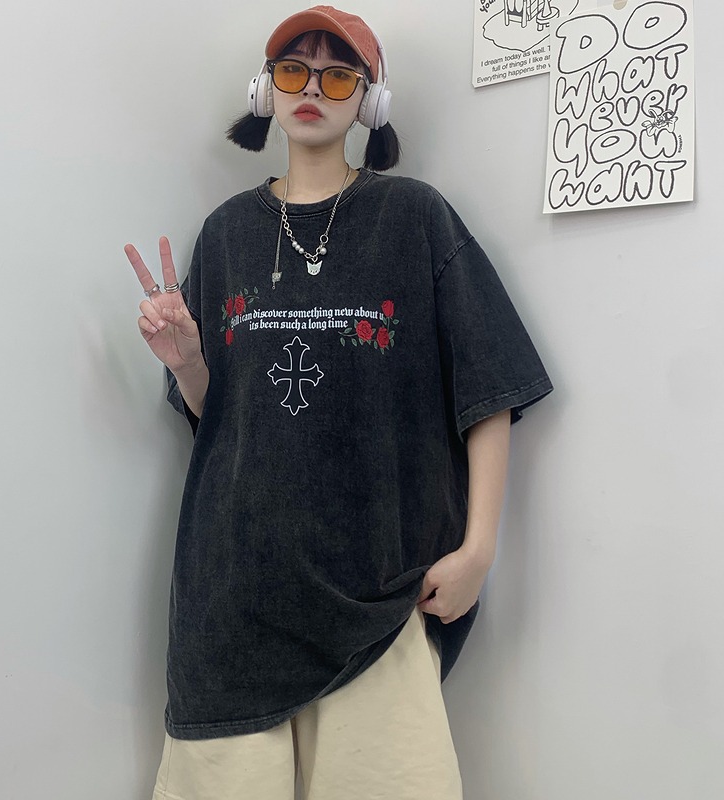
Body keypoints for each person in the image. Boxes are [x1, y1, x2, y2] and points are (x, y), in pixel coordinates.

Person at [124, 6, 552, 799]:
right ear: (267, 90)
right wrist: (187, 362)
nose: (313, 89)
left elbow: (489, 389)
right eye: (294, 70)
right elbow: (218, 419)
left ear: (369, 101)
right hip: (234, 601)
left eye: (337, 75)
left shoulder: (415, 218)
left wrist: (480, 551)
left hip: (380, 600)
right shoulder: (225, 235)